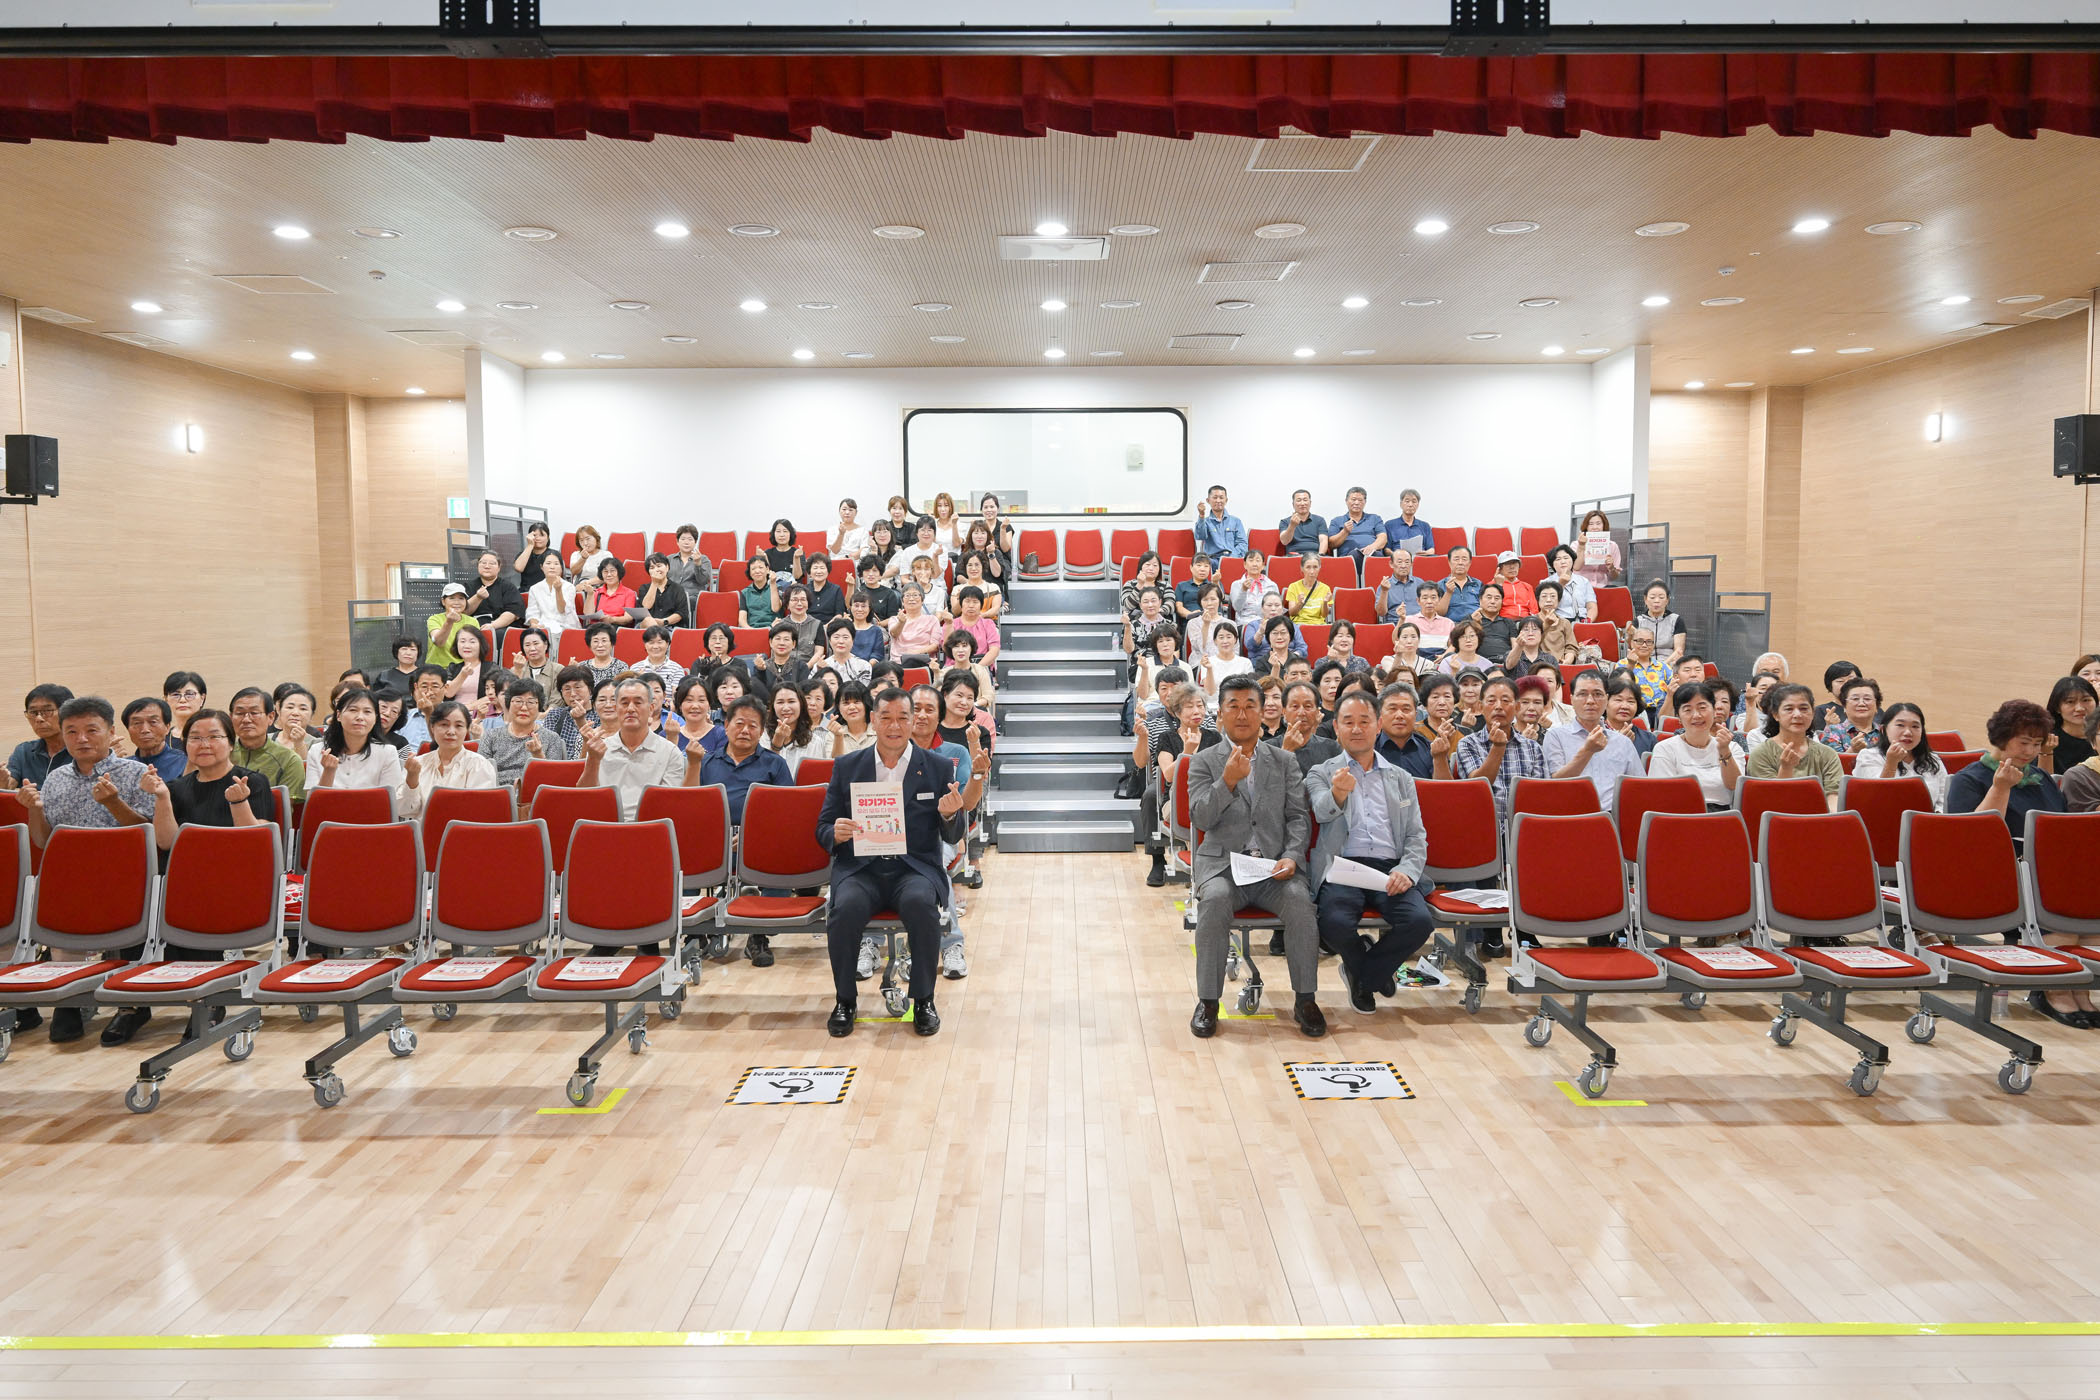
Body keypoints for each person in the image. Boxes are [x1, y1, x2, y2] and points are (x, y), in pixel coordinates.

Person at [818, 687, 968, 1037]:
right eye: (886, 717)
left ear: (914, 721)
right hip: (862, 869)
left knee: (921, 905)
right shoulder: (847, 766)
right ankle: (845, 1000)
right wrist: (834, 833)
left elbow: (952, 834)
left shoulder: (937, 767)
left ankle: (924, 1000)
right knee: (844, 908)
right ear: (873, 720)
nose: (894, 726)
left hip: (913, 869)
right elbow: (823, 825)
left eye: (903, 717)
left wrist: (950, 815)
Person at [11, 696, 159, 1043]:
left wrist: (113, 803)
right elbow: (43, 840)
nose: (81, 739)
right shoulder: (56, 778)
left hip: (126, 877)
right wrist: (34, 809)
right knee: (58, 902)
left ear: (110, 731)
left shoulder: (137, 773)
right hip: (73, 880)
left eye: (91, 730)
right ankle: (70, 998)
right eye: (72, 731)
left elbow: (149, 835)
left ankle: (131, 1007)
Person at [1185, 674, 1324, 1040]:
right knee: (1214, 902)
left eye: (1250, 706)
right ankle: (1208, 1001)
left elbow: (1298, 817)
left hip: (1273, 867)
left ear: (1263, 712)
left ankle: (1306, 999)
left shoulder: (1284, 760)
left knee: (1300, 903)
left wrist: (1292, 856)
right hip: (1224, 866)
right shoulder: (1203, 761)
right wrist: (1227, 781)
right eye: (1234, 706)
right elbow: (1200, 819)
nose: (1242, 714)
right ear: (1220, 714)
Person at [1301, 690, 1436, 1016]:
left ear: (1378, 726)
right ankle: (1372, 972)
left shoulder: (1401, 777)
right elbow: (1320, 811)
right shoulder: (1321, 772)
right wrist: (1338, 792)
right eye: (1348, 722)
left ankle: (1363, 974)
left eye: (1365, 721)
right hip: (1343, 867)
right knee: (1333, 923)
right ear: (1336, 727)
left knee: (1419, 922)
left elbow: (1416, 835)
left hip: (1390, 867)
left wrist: (1407, 870)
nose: (1357, 729)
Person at [143, 708, 276, 866]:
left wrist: (239, 803)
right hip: (186, 870)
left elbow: (255, 842)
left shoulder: (252, 782)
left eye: (214, 737)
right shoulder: (174, 788)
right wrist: (162, 797)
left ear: (231, 743)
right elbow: (167, 843)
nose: (204, 745)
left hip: (236, 868)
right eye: (195, 738)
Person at [579, 675, 705, 822]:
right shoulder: (599, 749)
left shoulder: (670, 752)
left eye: (638, 703)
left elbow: (671, 804)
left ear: (651, 709)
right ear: (616, 708)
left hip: (652, 827)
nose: (630, 709)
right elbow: (584, 798)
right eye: (624, 703)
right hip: (607, 826)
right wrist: (593, 761)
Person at [1947, 698, 2065, 848]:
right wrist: (2000, 789)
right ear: (2002, 737)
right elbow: (1972, 836)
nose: (2030, 751)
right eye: (2024, 742)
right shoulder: (1968, 780)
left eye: (2037, 744)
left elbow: (2063, 823)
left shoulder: (2041, 777)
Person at [1439, 674, 1552, 821]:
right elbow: (1477, 786)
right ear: (1480, 707)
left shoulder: (1533, 748)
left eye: (1505, 701)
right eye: (1491, 701)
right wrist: (1498, 748)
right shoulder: (1468, 743)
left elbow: (1542, 796)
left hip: (1524, 825)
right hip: (1482, 824)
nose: (1498, 706)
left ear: (1517, 707)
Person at [1543, 669, 1644, 812]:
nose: (1590, 701)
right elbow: (1556, 784)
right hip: (1570, 815)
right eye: (1582, 694)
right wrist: (1587, 751)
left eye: (1597, 694)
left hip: (1614, 817)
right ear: (1571, 699)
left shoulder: (1623, 742)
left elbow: (1639, 787)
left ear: (1606, 699)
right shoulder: (1555, 736)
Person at [1646, 681, 1743, 810]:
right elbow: (1662, 794)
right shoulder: (1665, 748)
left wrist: (1724, 751)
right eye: (1687, 710)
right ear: (1678, 717)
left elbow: (1734, 785)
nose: (1696, 715)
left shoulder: (1732, 747)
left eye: (1702, 708)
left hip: (1720, 815)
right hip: (1678, 813)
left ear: (1714, 711)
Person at [305, 688, 407, 807]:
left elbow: (391, 803)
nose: (360, 717)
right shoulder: (317, 751)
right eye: (353, 710)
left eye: (367, 712)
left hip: (372, 818)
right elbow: (313, 805)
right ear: (338, 715)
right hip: (328, 817)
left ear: (375, 718)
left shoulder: (387, 752)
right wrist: (328, 771)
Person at [1745, 683, 1843, 807]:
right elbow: (1772, 801)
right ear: (1775, 715)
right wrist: (1786, 769)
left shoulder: (1828, 754)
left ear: (1813, 713)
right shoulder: (1761, 754)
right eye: (1789, 709)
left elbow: (1834, 797)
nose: (1797, 715)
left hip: (1821, 817)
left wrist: (1829, 817)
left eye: (1804, 708)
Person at [398, 701, 500, 816]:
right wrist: (412, 779)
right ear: (432, 727)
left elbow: (480, 811)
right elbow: (403, 811)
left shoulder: (479, 765)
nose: (451, 732)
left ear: (467, 729)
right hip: (423, 827)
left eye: (458, 726)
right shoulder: (418, 764)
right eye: (444, 724)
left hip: (464, 827)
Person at [1851, 701, 1947, 810]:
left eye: (1915, 726)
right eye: (1900, 725)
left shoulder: (1933, 759)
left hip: (1926, 819)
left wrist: (1937, 815)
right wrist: (1891, 764)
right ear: (1883, 730)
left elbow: (1944, 799)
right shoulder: (1868, 756)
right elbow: (1875, 799)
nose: (1908, 732)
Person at [483, 679, 571, 785]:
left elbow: (552, 780)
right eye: (518, 701)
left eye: (531, 702)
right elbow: (481, 775)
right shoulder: (491, 736)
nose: (524, 708)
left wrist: (538, 755)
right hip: (498, 791)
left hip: (534, 792)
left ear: (539, 707)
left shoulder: (551, 738)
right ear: (508, 704)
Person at [227, 687, 305, 801]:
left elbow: (283, 807)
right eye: (239, 713)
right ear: (230, 717)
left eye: (254, 713)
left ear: (271, 717)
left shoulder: (289, 760)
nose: (246, 719)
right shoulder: (221, 754)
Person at [4, 683, 73, 789]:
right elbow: (8, 786)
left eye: (48, 711)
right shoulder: (24, 751)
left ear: (67, 713)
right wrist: (3, 780)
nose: (39, 719)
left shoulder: (83, 750)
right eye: (33, 712)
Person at [1269, 680, 1341, 777]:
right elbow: (1266, 784)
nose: (1301, 713)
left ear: (1317, 711)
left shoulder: (1332, 748)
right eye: (1295, 706)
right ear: (1284, 711)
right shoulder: (1267, 748)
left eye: (1308, 706)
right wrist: (1286, 750)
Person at [763, 683, 829, 775]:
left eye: (791, 701)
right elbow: (761, 774)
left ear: (801, 704)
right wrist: (776, 745)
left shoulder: (814, 742)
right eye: (780, 702)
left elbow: (819, 776)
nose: (786, 708)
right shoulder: (761, 736)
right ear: (773, 706)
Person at [1371, 682, 1434, 778]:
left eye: (1406, 709)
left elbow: (1443, 786)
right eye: (1392, 709)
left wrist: (1440, 758)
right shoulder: (1368, 750)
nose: (1399, 715)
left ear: (1416, 715)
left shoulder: (1430, 749)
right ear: (1379, 714)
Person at [121, 697, 187, 782]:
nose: (145, 730)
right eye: (137, 723)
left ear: (167, 727)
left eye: (153, 722)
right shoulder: (123, 767)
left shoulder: (185, 762)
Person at [1817, 675, 1884, 753]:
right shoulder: (1832, 731)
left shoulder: (1885, 732)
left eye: (1867, 699)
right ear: (1844, 706)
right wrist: (1852, 750)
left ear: (1877, 707)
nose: (1861, 703)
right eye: (1855, 699)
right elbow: (1831, 760)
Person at [464, 550, 524, 635]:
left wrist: (493, 625)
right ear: (477, 566)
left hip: (500, 627)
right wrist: (478, 597)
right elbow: (464, 612)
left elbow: (513, 612)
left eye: (492, 563)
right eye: (483, 563)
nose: (487, 566)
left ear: (499, 568)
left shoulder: (508, 587)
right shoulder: (468, 586)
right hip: (473, 628)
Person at [2047, 676, 2098, 772]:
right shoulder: (2049, 739)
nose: (2080, 708)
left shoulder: (2098, 736)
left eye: (2086, 700)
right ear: (2057, 708)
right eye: (2070, 702)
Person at [1324, 486, 1387, 562]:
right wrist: (1345, 532)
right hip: (1348, 557)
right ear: (1346, 501)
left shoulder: (1375, 518)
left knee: (1377, 556)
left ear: (1365, 502)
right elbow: (1331, 544)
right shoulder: (1337, 521)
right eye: (1353, 499)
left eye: (1360, 500)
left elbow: (1383, 538)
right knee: (1355, 554)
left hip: (1372, 554)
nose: (1357, 503)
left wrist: (1372, 547)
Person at [889, 583, 945, 666]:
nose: (911, 599)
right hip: (898, 662)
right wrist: (901, 622)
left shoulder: (932, 620)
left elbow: (935, 646)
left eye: (915, 595)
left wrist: (915, 653)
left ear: (922, 600)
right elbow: (894, 634)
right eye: (907, 595)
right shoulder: (895, 619)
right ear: (902, 602)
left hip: (923, 662)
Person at [1603, 673, 1658, 758]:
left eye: (1630, 701)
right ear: (1606, 702)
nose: (1624, 706)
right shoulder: (1594, 735)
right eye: (1618, 700)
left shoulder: (1649, 739)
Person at [1631, 579, 1685, 664]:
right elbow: (1633, 649)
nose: (1656, 601)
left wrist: (1662, 667)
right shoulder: (1638, 621)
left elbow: (1678, 650)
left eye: (1661, 597)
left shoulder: (1676, 620)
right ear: (1645, 599)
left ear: (1667, 600)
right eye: (1652, 597)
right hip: (1644, 664)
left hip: (1669, 664)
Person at [1624, 627, 1673, 719]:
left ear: (1653, 645)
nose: (1644, 645)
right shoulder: (1622, 664)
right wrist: (1630, 665)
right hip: (1635, 711)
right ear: (1632, 643)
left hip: (1661, 711)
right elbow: (1618, 687)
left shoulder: (1664, 667)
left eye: (1649, 642)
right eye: (1640, 641)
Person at [665, 524, 715, 614]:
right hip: (671, 596)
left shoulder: (704, 559)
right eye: (683, 539)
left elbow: (703, 581)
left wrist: (698, 564)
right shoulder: (669, 559)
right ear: (677, 542)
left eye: (690, 539)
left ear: (695, 542)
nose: (686, 542)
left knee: (685, 601)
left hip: (692, 597)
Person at [1192, 483, 1248, 562]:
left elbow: (1242, 544)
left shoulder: (1236, 521)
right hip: (1212, 560)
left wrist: (1231, 558)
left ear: (1226, 500)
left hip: (1232, 559)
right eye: (1215, 497)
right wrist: (1201, 515)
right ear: (1208, 500)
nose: (1218, 501)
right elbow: (1200, 536)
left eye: (1221, 498)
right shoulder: (1205, 521)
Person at [1545, 545, 1600, 623]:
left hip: (1583, 622)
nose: (1563, 562)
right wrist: (1560, 585)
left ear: (1572, 560)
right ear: (1552, 564)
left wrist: (1587, 622)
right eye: (1558, 559)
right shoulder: (1546, 583)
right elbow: (1548, 609)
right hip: (1559, 622)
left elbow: (1592, 607)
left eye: (1566, 558)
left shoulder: (1584, 581)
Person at [632, 553, 686, 630]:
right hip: (646, 627)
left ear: (667, 567)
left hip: (668, 626)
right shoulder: (644, 588)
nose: (656, 570)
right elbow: (646, 606)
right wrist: (654, 583)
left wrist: (664, 621)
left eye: (659, 566)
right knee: (648, 621)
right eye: (652, 568)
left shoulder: (678, 589)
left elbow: (681, 613)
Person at [580, 556, 637, 629]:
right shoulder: (597, 592)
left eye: (612, 571)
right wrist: (590, 594)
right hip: (596, 627)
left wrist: (611, 619)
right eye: (605, 572)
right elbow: (588, 614)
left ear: (619, 573)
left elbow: (628, 618)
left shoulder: (629, 593)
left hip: (616, 627)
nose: (609, 575)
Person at [887, 515, 944, 584]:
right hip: (914, 587)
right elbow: (904, 579)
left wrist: (935, 556)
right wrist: (917, 586)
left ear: (934, 533)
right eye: (922, 530)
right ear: (916, 533)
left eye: (929, 530)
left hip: (937, 587)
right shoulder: (907, 551)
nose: (926, 533)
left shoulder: (941, 550)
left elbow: (936, 575)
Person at [1469, 583, 1519, 663]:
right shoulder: (1471, 619)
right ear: (1480, 600)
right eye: (1489, 597)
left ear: (1502, 602)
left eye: (1497, 598)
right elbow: (1463, 644)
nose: (1493, 601)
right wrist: (1475, 624)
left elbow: (1515, 646)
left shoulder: (1508, 622)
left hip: (1505, 662)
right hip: (1479, 662)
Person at [442, 623, 490, 706]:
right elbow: (448, 693)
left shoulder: (490, 668)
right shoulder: (452, 668)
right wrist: (463, 675)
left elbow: (495, 695)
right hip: (453, 712)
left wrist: (469, 707)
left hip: (480, 712)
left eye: (472, 642)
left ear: (480, 645)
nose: (467, 646)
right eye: (462, 641)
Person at [1182, 582, 1230, 663]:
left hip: (1225, 663)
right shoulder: (1193, 623)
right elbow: (1201, 648)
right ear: (1200, 602)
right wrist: (1206, 625)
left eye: (1213, 599)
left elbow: (1234, 650)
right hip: (1201, 664)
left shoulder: (1230, 624)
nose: (1209, 603)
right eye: (1205, 600)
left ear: (1219, 601)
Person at [1230, 550, 1281, 625]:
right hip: (1245, 623)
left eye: (1258, 560)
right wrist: (1243, 590)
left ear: (1263, 565)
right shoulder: (1236, 584)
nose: (1254, 564)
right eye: (1251, 560)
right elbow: (1237, 608)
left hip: (1267, 623)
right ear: (1245, 564)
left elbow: (1277, 608)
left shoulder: (1272, 585)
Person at [1573, 509, 1621, 588]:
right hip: (1580, 586)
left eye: (1598, 524)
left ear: (1604, 525)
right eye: (1591, 524)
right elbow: (1576, 567)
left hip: (1602, 586)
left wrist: (1611, 568)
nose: (1595, 527)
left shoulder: (1612, 546)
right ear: (1586, 527)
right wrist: (1581, 546)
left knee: (1616, 590)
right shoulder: (1576, 544)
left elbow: (1614, 577)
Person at [512, 626, 563, 700]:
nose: (532, 648)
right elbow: (511, 697)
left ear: (545, 645)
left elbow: (557, 699)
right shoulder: (516, 669)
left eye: (536, 644)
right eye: (527, 645)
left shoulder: (558, 670)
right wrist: (518, 671)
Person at [273, 684, 318, 766]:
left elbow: (304, 770)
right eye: (290, 707)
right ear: (279, 710)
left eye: (303, 709)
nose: (295, 713)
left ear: (312, 714)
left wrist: (299, 743)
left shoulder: (317, 744)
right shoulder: (265, 740)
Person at [1283, 553, 1334, 625]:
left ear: (1319, 568)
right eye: (1308, 567)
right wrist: (1299, 603)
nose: (1312, 571)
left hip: (1318, 625)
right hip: (1299, 624)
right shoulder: (1293, 587)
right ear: (1302, 568)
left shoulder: (1325, 588)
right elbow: (1292, 613)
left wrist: (1325, 602)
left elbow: (1324, 615)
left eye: (1315, 567)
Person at [1375, 550, 1424, 623]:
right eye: (1399, 562)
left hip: (1419, 623)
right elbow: (1381, 613)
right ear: (1391, 564)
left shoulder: (1420, 583)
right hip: (1396, 624)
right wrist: (1384, 591)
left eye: (1407, 562)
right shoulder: (1385, 586)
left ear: (1411, 564)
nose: (1403, 566)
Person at [1812, 660, 1862, 733]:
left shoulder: (1871, 708)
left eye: (1851, 680)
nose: (1847, 684)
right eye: (1840, 681)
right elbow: (1814, 739)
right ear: (1830, 685)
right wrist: (1829, 727)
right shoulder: (1820, 711)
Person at [1276, 489, 1327, 557]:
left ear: (1310, 503)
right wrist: (1292, 525)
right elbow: (1284, 541)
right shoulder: (1285, 522)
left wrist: (1320, 556)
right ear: (1293, 504)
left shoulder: (1320, 520)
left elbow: (1323, 540)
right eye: (1299, 500)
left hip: (1315, 556)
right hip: (1294, 556)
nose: (1302, 503)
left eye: (1305, 500)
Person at [952, 550, 1003, 618]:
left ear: (983, 566)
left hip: (987, 622)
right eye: (970, 565)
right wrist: (959, 599)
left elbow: (995, 609)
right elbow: (955, 612)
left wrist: (982, 615)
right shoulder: (957, 589)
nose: (973, 568)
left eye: (977, 565)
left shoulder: (993, 588)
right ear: (965, 567)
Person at [1386, 488, 1434, 555]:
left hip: (1420, 557)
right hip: (1398, 558)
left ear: (1418, 505)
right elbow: (1386, 549)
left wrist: (1425, 553)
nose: (1410, 505)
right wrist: (1396, 555)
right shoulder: (1390, 525)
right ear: (1401, 504)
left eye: (1414, 502)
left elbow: (1431, 549)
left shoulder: (1425, 526)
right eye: (1407, 501)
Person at [1440, 546, 1482, 623]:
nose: (1460, 563)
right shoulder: (1440, 585)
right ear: (1449, 562)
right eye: (1456, 559)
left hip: (1475, 624)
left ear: (1470, 563)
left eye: (1464, 559)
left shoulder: (1478, 584)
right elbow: (1439, 613)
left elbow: (1486, 609)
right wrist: (1448, 593)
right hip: (1451, 626)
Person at [1490, 551, 1537, 617]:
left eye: (1514, 563)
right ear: (1499, 569)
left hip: (1525, 620)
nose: (1512, 567)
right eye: (1507, 564)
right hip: (1502, 620)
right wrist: (1498, 585)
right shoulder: (1491, 585)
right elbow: (1490, 608)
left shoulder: (1527, 586)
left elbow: (1534, 610)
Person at [853, 555, 899, 623]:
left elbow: (893, 618)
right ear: (862, 574)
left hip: (881, 627)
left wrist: (880, 624)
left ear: (880, 574)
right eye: (867, 570)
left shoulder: (889, 593)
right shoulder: (858, 591)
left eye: (875, 570)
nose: (871, 574)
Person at [739, 555, 780, 630]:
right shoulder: (745, 592)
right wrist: (752, 631)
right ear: (750, 572)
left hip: (774, 628)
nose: (757, 571)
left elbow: (776, 608)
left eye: (761, 567)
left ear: (767, 569)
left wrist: (773, 583)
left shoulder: (777, 587)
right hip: (752, 629)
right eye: (753, 569)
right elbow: (742, 620)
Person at [1174, 551, 1216, 622]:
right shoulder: (1181, 586)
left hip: (1210, 621)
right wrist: (1192, 615)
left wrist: (1216, 583)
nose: (1202, 569)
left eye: (1206, 566)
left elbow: (1220, 600)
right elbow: (1179, 608)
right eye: (1199, 565)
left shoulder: (1213, 586)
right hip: (1189, 621)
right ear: (1191, 567)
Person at [513, 520, 553, 591]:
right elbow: (518, 568)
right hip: (527, 591)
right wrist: (530, 545)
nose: (538, 538)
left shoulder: (554, 554)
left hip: (547, 591)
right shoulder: (524, 553)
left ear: (548, 537)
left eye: (542, 535)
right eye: (534, 535)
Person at [829, 498, 871, 563]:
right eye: (844, 509)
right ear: (839, 511)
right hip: (836, 562)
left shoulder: (863, 530)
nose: (847, 512)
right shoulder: (832, 530)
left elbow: (864, 550)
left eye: (851, 510)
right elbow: (835, 550)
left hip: (855, 562)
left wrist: (847, 558)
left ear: (856, 512)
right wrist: (841, 534)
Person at [762, 517, 804, 582]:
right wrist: (763, 559)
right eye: (778, 531)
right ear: (773, 534)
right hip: (772, 587)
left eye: (785, 531)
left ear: (790, 534)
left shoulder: (798, 553)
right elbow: (765, 578)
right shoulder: (767, 553)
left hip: (794, 587)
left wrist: (796, 558)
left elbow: (797, 576)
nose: (782, 535)